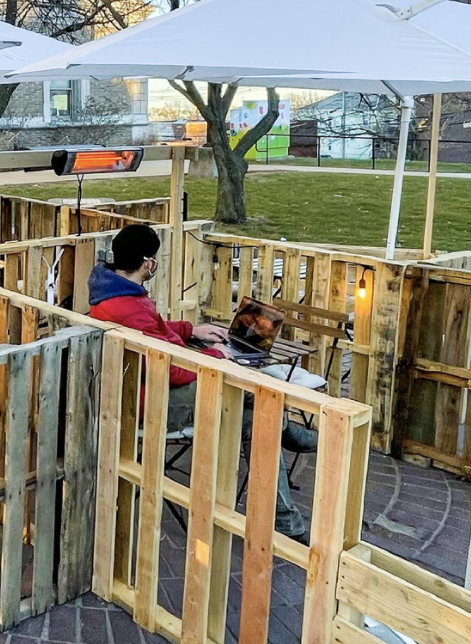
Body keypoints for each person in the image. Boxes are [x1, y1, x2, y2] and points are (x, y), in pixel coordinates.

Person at [88, 223, 311, 541]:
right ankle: (287, 441)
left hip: (140, 389)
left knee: (257, 411)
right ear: (148, 263)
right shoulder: (128, 307)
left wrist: (192, 331)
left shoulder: (113, 293)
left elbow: (156, 331)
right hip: (152, 402)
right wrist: (217, 357)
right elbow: (172, 370)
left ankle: (285, 509)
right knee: (255, 403)